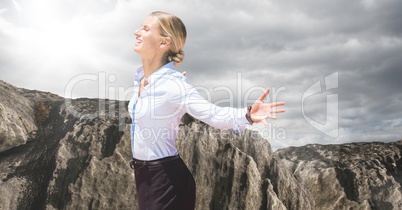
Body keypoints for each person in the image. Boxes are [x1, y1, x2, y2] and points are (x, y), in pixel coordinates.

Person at [128, 11, 285, 210]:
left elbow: (213, 114)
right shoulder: (142, 79)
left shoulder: (174, 86)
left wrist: (247, 114)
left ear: (163, 42)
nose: (136, 32)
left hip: (166, 180)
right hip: (145, 178)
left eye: (145, 28)